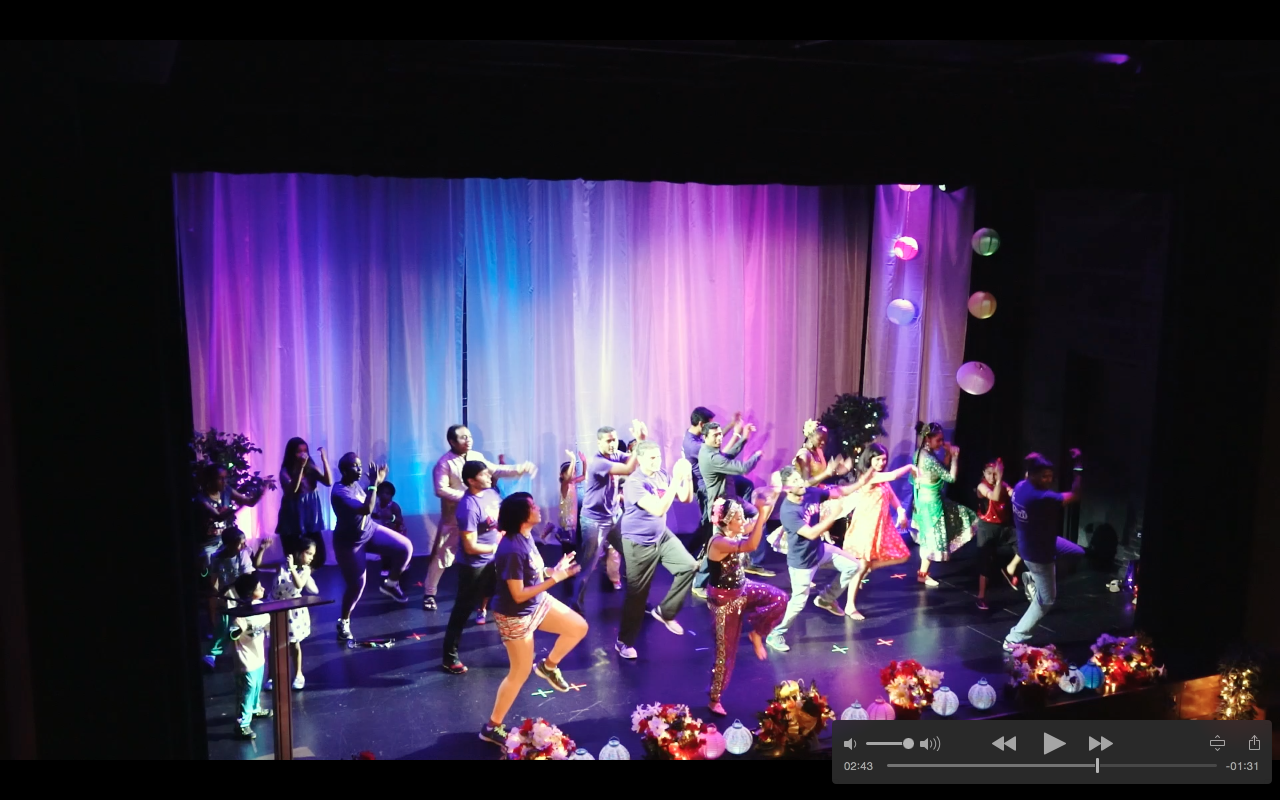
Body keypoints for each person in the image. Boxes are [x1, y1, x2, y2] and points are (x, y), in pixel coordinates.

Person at [480, 493, 588, 748]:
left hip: (537, 603)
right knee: (519, 673)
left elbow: (535, 572)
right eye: (532, 506)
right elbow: (518, 594)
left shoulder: (526, 536)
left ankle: (548, 666)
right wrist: (556, 579)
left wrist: (553, 570)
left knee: (578, 627)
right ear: (522, 515)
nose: (538, 508)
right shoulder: (511, 549)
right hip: (515, 616)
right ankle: (492, 727)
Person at [424, 425, 533, 610]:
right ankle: (429, 593)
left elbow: (495, 470)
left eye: (469, 436)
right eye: (463, 437)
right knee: (443, 556)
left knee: (489, 554)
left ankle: (490, 594)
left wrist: (519, 469)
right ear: (452, 442)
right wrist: (469, 498)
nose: (468, 440)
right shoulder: (445, 463)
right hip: (455, 518)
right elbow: (440, 489)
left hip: (481, 518)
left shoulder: (476, 456)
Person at [765, 465, 870, 652]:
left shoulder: (810, 493)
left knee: (854, 566)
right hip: (802, 562)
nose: (800, 482)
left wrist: (861, 482)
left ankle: (826, 599)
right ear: (787, 488)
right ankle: (776, 634)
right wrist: (833, 516)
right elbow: (811, 533)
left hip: (820, 551)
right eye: (795, 481)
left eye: (799, 478)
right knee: (798, 603)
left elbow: (840, 491)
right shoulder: (788, 512)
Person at [704, 493, 788, 716]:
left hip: (743, 589)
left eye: (743, 517)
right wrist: (760, 512)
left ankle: (757, 633)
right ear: (726, 522)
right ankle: (714, 699)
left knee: (779, 598)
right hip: (725, 603)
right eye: (738, 518)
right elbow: (751, 544)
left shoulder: (734, 532)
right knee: (726, 654)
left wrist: (765, 506)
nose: (743, 522)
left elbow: (755, 526)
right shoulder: (719, 542)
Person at [615, 441, 695, 660]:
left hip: (661, 535)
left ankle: (665, 612)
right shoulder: (634, 483)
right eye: (652, 457)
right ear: (640, 459)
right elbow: (659, 509)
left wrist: (686, 476)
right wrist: (676, 479)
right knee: (637, 596)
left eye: (658, 456)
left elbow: (686, 498)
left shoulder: (661, 475)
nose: (657, 460)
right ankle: (623, 642)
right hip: (638, 541)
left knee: (689, 566)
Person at [1003, 451, 1086, 651]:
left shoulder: (1020, 487)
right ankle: (1014, 638)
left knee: (1078, 552)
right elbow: (1075, 494)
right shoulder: (1040, 497)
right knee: (1046, 600)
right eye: (1044, 476)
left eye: (1050, 476)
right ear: (1032, 475)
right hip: (1038, 554)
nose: (1048, 480)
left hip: (1043, 542)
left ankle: (1031, 578)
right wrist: (1078, 466)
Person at [330, 453, 413, 641]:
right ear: (344, 470)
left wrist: (377, 482)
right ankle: (344, 621)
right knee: (357, 585)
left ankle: (391, 584)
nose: (360, 470)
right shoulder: (340, 492)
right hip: (350, 544)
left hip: (369, 531)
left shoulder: (355, 484)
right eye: (355, 466)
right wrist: (374, 484)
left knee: (405, 547)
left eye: (360, 465)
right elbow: (366, 509)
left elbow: (369, 505)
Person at [569, 422, 646, 612]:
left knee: (632, 556)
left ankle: (639, 601)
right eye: (608, 441)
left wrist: (642, 442)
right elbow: (628, 469)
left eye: (614, 440)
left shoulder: (616, 455)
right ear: (599, 443)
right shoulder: (598, 462)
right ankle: (575, 605)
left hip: (614, 516)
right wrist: (639, 441)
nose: (612, 444)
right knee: (588, 565)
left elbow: (638, 460)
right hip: (594, 521)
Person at [441, 461, 503, 674]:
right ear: (471, 481)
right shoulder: (468, 507)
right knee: (462, 610)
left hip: (494, 561)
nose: (489, 477)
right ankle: (449, 657)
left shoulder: (491, 494)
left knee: (507, 599)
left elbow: (500, 520)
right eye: (484, 475)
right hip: (474, 567)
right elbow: (470, 546)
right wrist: (496, 547)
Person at [842, 444, 916, 619]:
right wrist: (910, 467)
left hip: (882, 526)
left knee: (903, 556)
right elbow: (893, 475)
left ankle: (866, 569)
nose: (881, 462)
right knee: (861, 566)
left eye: (884, 459)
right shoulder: (868, 476)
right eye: (877, 459)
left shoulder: (881, 478)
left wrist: (901, 511)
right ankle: (850, 606)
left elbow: (891, 496)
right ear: (869, 459)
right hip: (866, 526)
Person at [698, 419, 772, 580]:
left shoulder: (711, 452)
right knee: (716, 544)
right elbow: (743, 468)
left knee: (758, 517)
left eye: (720, 434)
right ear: (705, 437)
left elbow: (727, 455)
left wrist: (744, 438)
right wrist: (757, 455)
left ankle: (753, 561)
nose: (719, 438)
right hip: (721, 507)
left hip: (732, 500)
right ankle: (700, 582)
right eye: (715, 435)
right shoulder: (711, 457)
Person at [911, 422, 977, 586]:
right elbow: (951, 478)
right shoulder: (928, 459)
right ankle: (922, 574)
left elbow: (940, 469)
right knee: (930, 539)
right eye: (938, 440)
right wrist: (954, 456)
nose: (941, 443)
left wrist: (947, 454)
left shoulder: (920, 453)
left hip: (923, 501)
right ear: (928, 439)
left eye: (942, 439)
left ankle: (922, 573)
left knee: (930, 537)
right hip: (931, 504)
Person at [555, 449, 621, 590]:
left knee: (575, 549)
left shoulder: (572, 483)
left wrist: (584, 462)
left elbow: (584, 476)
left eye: (574, 472)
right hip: (566, 525)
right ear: (562, 475)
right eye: (571, 472)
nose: (573, 475)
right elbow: (568, 477)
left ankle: (572, 573)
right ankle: (565, 576)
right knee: (568, 551)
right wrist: (573, 460)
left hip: (574, 523)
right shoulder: (564, 485)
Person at [205, 527, 271, 667]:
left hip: (243, 594)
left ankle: (249, 649)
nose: (244, 545)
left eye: (244, 542)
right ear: (229, 544)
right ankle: (213, 652)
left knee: (248, 622)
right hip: (227, 596)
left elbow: (247, 578)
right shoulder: (217, 557)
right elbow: (214, 579)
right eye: (240, 543)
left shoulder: (243, 554)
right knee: (224, 624)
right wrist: (217, 595)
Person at [271, 536, 319, 690]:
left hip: (293, 611)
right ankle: (272, 675)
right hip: (275, 607)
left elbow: (299, 584)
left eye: (313, 555)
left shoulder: (305, 570)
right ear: (299, 552)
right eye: (308, 553)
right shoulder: (281, 565)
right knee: (275, 644)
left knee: (294, 643)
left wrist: (292, 568)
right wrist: (262, 550)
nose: (311, 558)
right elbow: (258, 564)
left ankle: (298, 674)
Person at [230, 572, 273, 739]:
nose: (263, 589)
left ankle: (255, 709)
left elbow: (269, 625)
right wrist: (236, 630)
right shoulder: (240, 614)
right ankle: (241, 724)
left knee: (256, 688)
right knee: (246, 691)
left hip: (258, 657)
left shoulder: (261, 608)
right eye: (259, 587)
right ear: (250, 593)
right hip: (245, 660)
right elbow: (233, 632)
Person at [277, 438, 332, 567]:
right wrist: (300, 467)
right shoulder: (285, 471)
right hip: (293, 517)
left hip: (310, 517)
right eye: (298, 451)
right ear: (292, 453)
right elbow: (293, 489)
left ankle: (307, 575)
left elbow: (328, 482)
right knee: (294, 554)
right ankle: (295, 577)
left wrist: (324, 460)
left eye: (305, 450)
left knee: (319, 556)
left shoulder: (311, 468)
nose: (303, 454)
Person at [975, 458, 1021, 610]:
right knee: (986, 561)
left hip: (1004, 526)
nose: (992, 477)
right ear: (984, 473)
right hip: (987, 527)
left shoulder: (1003, 484)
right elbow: (994, 497)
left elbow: (1013, 495)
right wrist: (1000, 480)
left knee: (1024, 543)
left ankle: (1010, 568)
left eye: (995, 474)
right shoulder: (982, 486)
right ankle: (981, 596)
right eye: (989, 473)